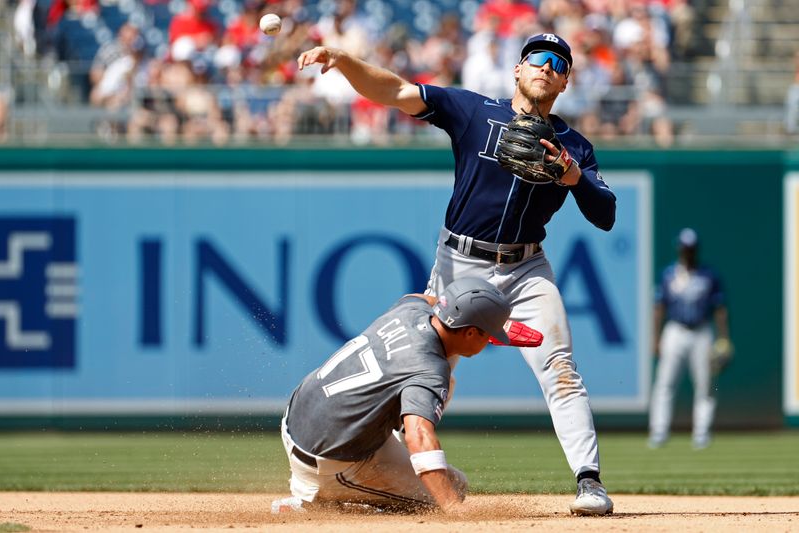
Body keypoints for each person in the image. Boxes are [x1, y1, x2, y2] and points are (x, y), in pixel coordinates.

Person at [297, 32, 616, 515]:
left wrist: (573, 177)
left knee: (561, 370)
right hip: (459, 261)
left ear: (566, 81)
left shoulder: (573, 146)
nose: (547, 67)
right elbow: (396, 91)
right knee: (424, 366)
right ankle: (371, 465)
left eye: (559, 63)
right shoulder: (474, 112)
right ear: (517, 69)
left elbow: (606, 212)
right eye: (537, 58)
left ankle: (589, 482)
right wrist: (344, 61)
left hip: (526, 267)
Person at [272, 277, 513, 514]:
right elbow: (419, 435)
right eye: (489, 335)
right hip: (331, 461)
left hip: (298, 419)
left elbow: (420, 298)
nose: (491, 341)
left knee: (436, 381)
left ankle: (332, 493)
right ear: (471, 333)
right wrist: (453, 510)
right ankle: (314, 504)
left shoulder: (410, 310)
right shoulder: (428, 369)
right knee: (453, 488)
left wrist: (490, 320)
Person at [649, 228, 731, 450]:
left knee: (705, 384)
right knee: (665, 383)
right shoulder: (668, 274)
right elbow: (659, 307)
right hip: (675, 329)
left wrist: (724, 338)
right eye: (685, 248)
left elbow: (720, 309)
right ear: (680, 249)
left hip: (701, 331)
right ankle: (659, 432)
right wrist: (655, 338)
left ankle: (702, 434)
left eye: (691, 249)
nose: (687, 252)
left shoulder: (708, 275)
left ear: (696, 250)